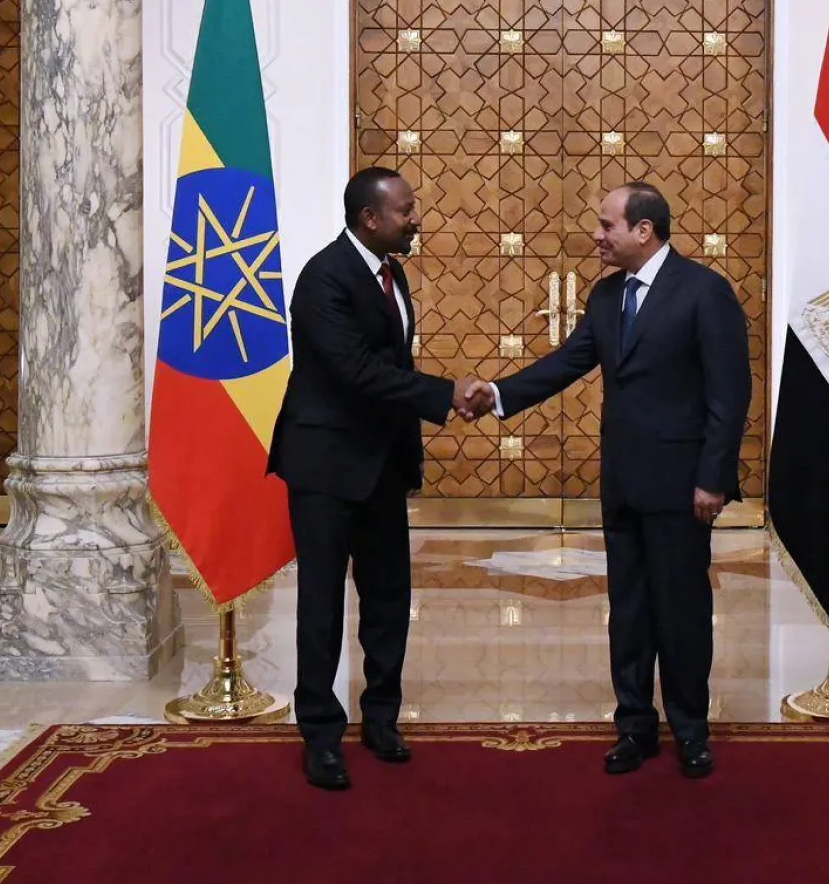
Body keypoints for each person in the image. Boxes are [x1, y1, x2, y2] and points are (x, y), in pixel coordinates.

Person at [464, 182, 751, 777]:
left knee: (682, 610)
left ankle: (691, 733)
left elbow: (730, 394)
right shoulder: (605, 295)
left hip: (682, 486)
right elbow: (569, 362)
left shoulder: (704, 292)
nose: (597, 235)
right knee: (629, 608)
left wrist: (714, 478)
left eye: (606, 225)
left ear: (643, 231)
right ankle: (635, 728)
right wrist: (497, 394)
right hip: (622, 481)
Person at [269, 167, 481, 790]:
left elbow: (391, 362)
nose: (417, 218)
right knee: (323, 603)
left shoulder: (391, 271)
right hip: (328, 468)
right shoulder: (324, 279)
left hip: (382, 466)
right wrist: (447, 394)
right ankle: (321, 734)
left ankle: (382, 718)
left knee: (389, 596)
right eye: (406, 210)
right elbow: (358, 371)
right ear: (370, 218)